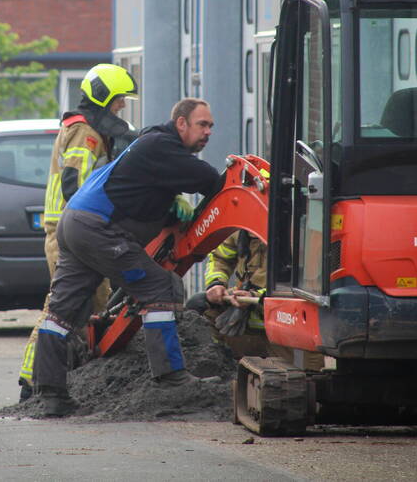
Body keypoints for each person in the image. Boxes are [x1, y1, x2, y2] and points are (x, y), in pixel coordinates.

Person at [34, 97, 223, 417]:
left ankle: (50, 393)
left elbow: (140, 192)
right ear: (181, 123)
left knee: (62, 311)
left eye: (211, 126)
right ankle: (171, 377)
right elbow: (210, 180)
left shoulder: (149, 141)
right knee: (161, 288)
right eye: (202, 125)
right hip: (96, 227)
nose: (208, 132)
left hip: (75, 222)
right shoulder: (163, 146)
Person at [16, 64, 138, 402]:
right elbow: (76, 186)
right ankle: (33, 380)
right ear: (103, 98)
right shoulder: (85, 133)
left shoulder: (93, 132)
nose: (122, 108)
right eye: (119, 101)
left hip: (77, 233)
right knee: (60, 308)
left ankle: (73, 376)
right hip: (70, 234)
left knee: (93, 306)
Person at [187, 229, 325, 370]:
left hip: (285, 321)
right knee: (201, 306)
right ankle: (221, 368)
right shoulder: (240, 229)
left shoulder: (302, 232)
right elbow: (219, 258)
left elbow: (310, 286)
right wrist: (216, 283)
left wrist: (256, 297)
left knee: (304, 377)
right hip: (246, 314)